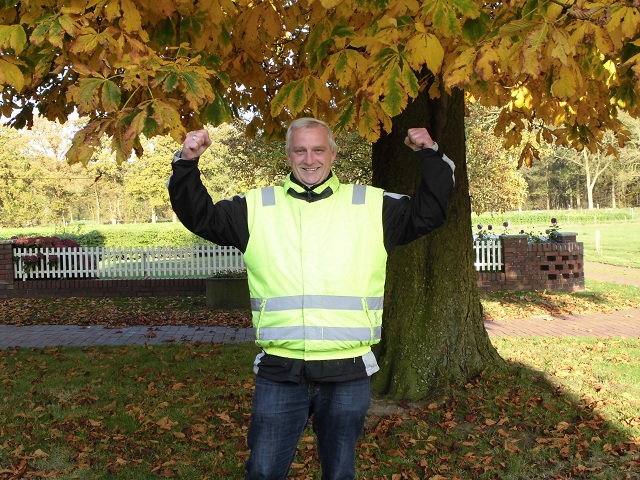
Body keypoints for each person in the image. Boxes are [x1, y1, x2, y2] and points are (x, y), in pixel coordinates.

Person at [168, 117, 455, 479]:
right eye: (300, 150)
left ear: (333, 154)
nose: (309, 159)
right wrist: (187, 162)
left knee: (339, 473)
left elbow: (431, 211)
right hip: (281, 371)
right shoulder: (256, 207)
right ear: (288, 156)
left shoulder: (372, 205)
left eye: (318, 149)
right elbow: (199, 215)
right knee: (263, 471)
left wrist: (429, 153)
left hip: (347, 370)